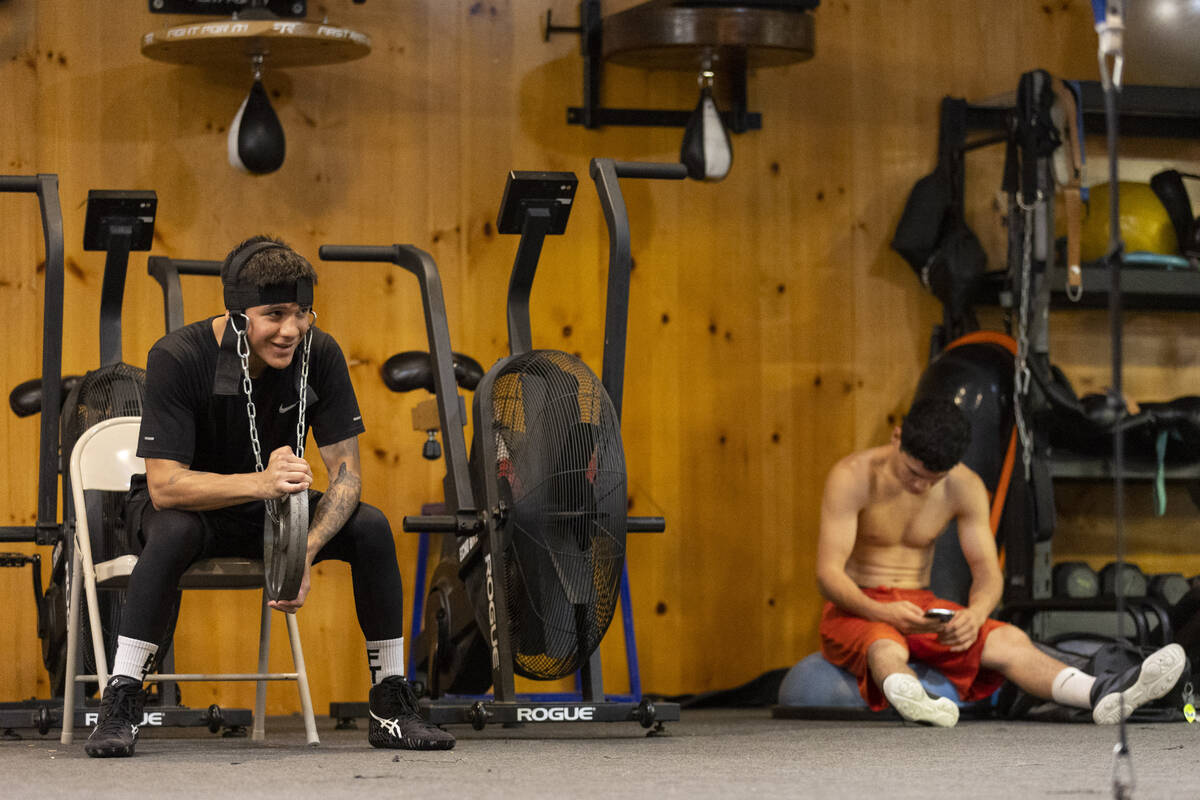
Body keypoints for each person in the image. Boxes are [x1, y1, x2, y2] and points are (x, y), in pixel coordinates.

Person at [85, 236, 455, 756]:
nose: (291, 329)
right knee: (174, 531)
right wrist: (260, 481)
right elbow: (167, 487)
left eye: (302, 313)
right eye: (274, 314)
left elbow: (347, 473)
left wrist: (304, 546)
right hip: (191, 507)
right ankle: (122, 699)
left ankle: (391, 704)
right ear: (238, 316)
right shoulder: (178, 356)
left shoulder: (318, 352)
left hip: (273, 512)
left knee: (369, 526)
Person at [815, 396, 1187, 727]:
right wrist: (883, 613)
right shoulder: (852, 476)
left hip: (921, 604)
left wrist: (974, 615)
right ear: (897, 438)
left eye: (933, 479)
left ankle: (1102, 693)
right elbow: (828, 574)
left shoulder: (965, 485)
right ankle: (915, 697)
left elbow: (988, 573)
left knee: (1009, 637)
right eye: (913, 473)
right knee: (885, 641)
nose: (920, 487)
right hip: (859, 605)